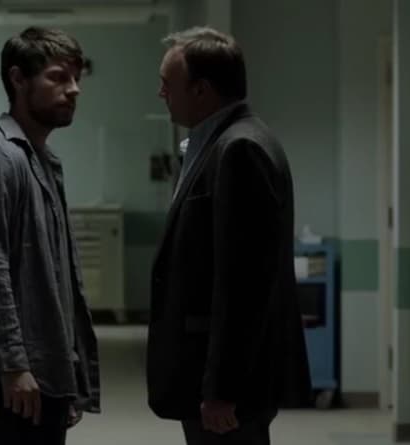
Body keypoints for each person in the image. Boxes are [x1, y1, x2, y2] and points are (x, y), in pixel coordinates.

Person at [147, 26, 312, 445]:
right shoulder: (218, 144)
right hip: (213, 373)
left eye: (168, 84)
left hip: (226, 385)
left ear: (201, 90)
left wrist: (222, 388)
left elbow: (243, 285)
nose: (161, 93)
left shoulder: (240, 149)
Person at [0, 26, 100, 445]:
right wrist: (13, 365)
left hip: (44, 368)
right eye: (58, 77)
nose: (74, 89)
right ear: (18, 79)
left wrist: (67, 372)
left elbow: (55, 279)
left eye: (76, 78)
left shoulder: (40, 159)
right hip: (16, 374)